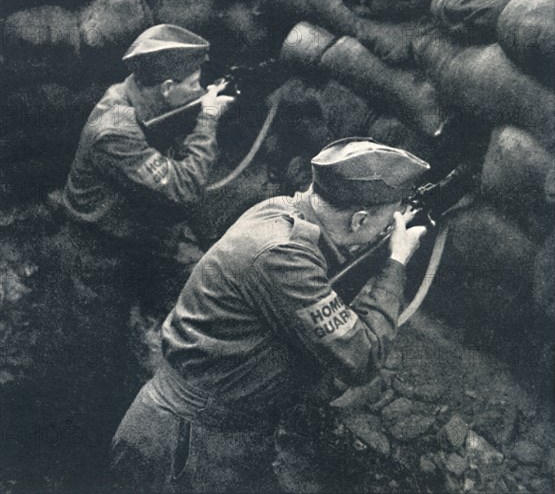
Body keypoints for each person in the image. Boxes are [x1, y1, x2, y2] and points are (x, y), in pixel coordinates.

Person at [110, 137, 430, 493]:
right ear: (359, 219)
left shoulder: (281, 211)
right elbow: (362, 357)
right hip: (184, 445)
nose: (390, 228)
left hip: (220, 432)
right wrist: (396, 262)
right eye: (388, 220)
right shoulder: (282, 256)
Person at [47, 24, 235, 480]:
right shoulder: (114, 129)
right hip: (94, 260)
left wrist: (195, 107)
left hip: (130, 247)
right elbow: (183, 190)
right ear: (167, 88)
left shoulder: (140, 99)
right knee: (88, 369)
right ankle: (77, 466)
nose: (199, 91)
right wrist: (207, 119)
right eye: (192, 85)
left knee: (120, 353)